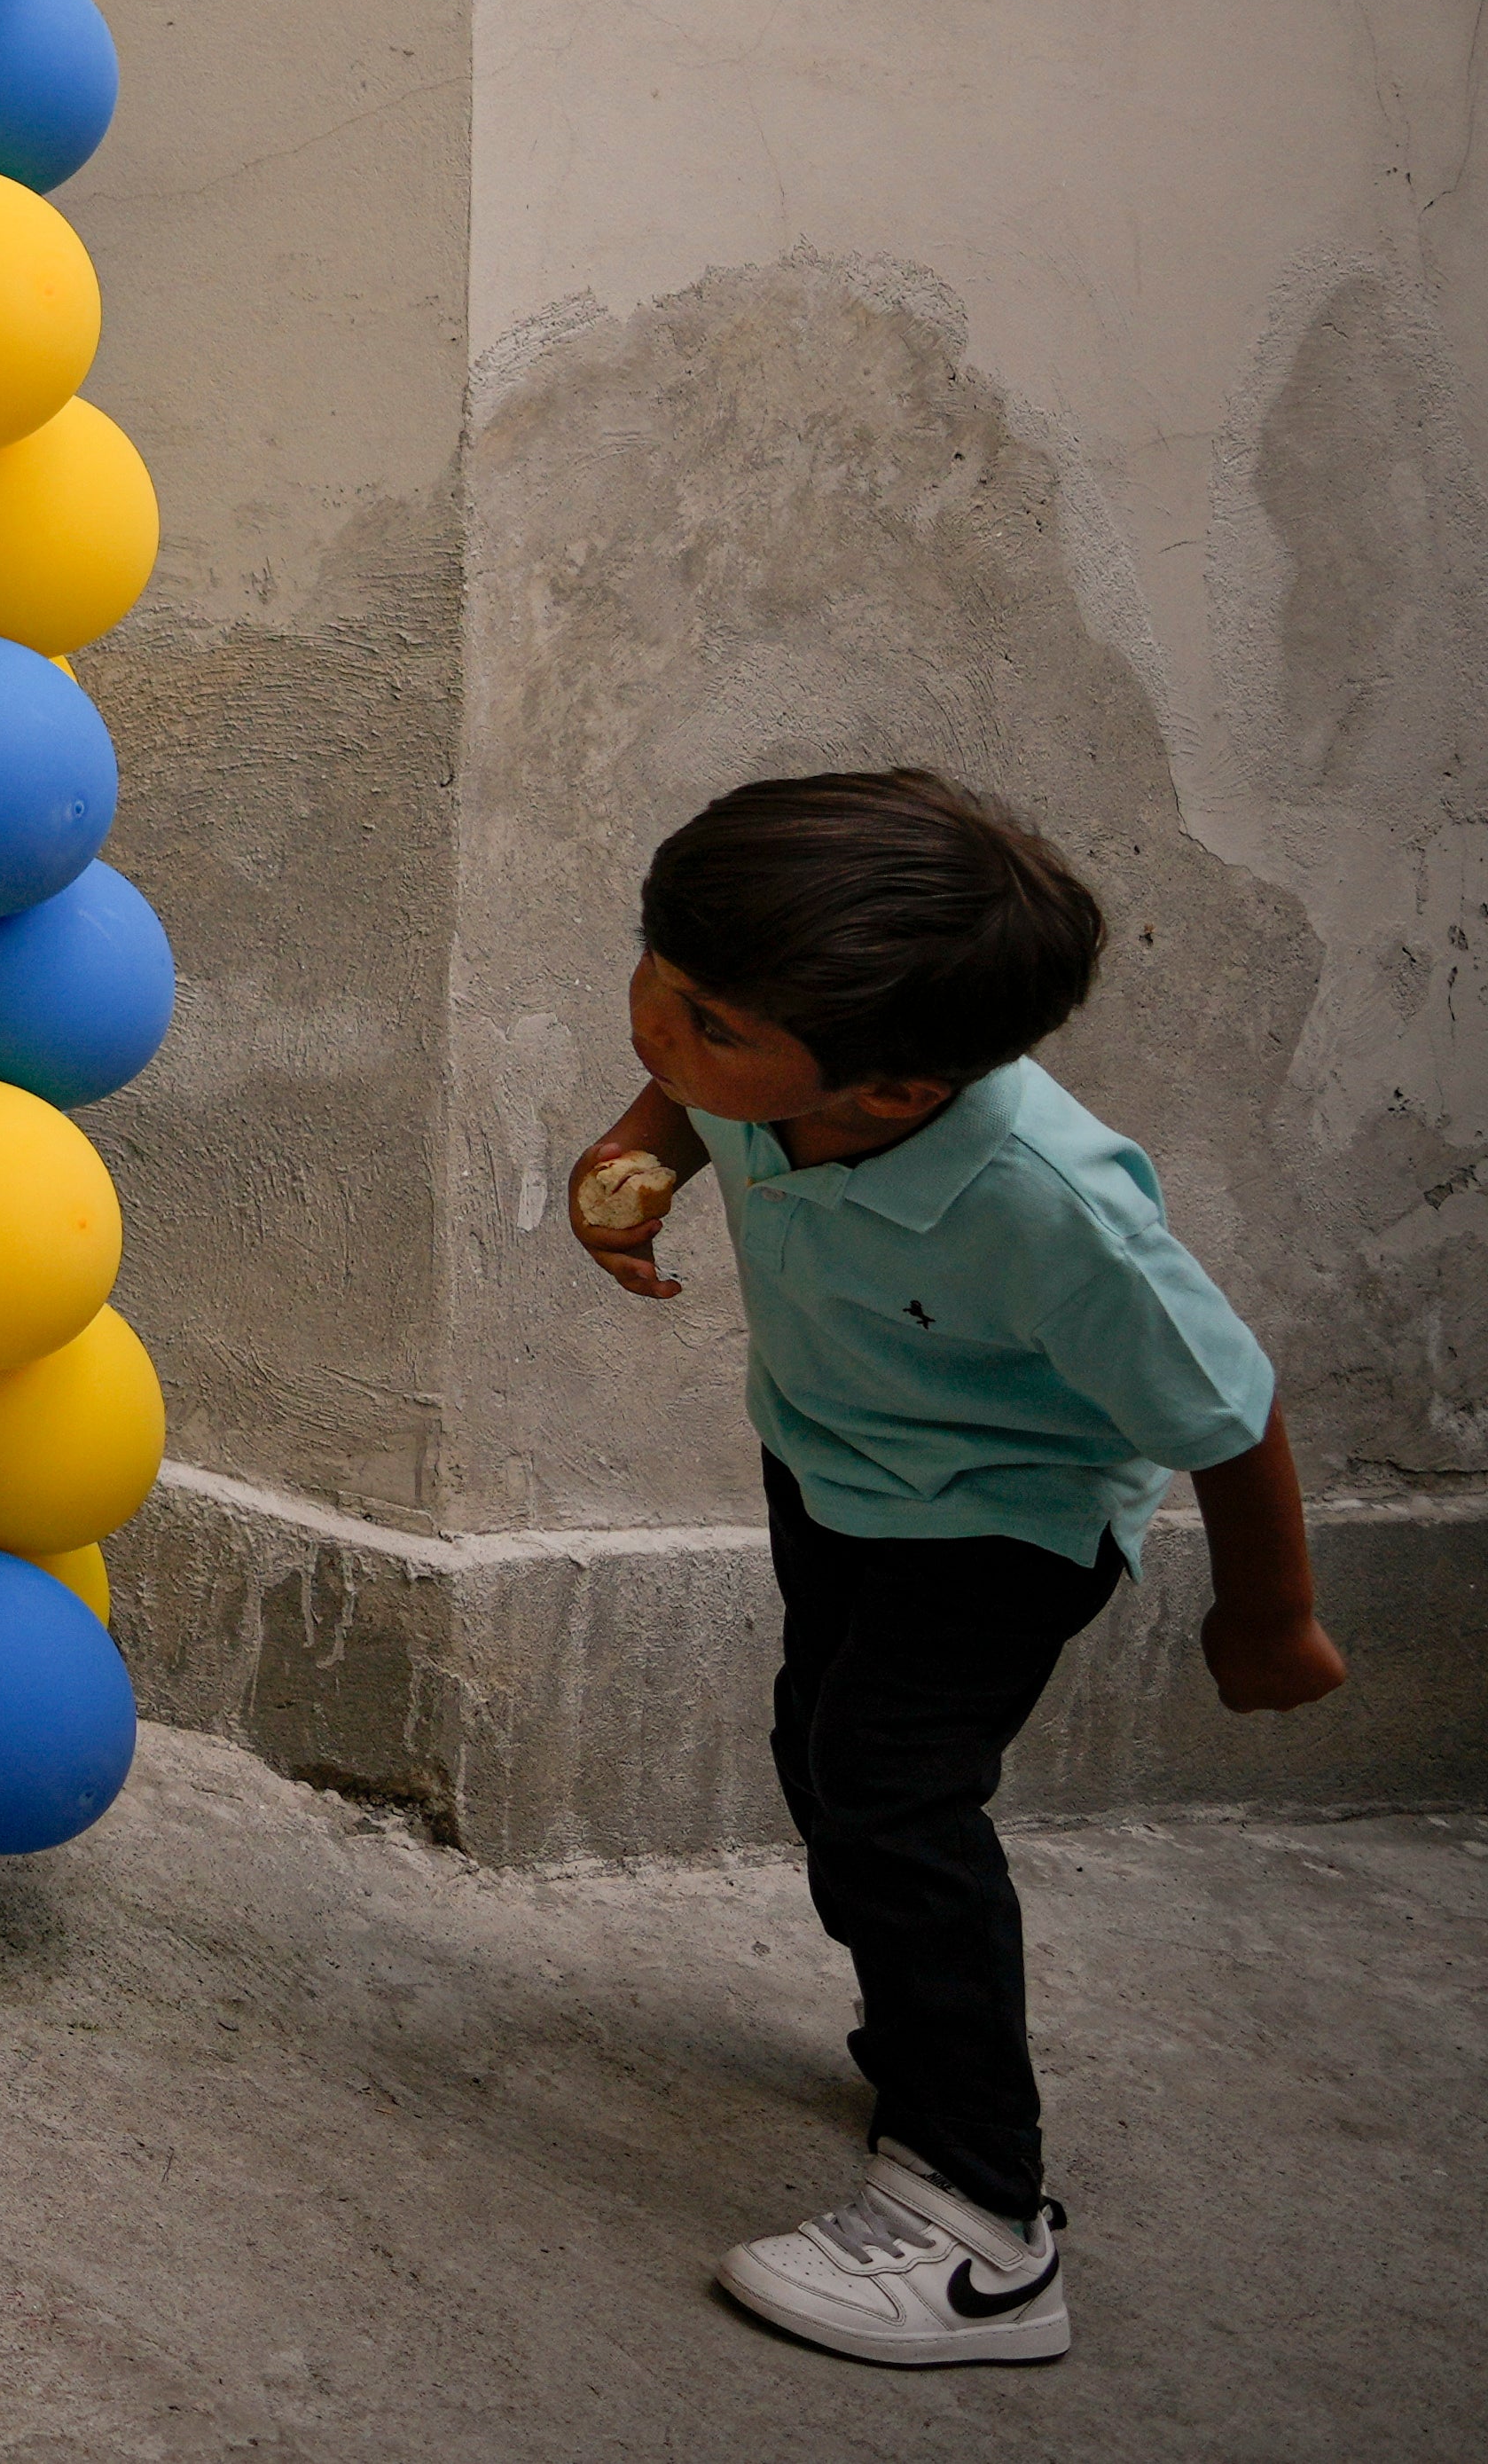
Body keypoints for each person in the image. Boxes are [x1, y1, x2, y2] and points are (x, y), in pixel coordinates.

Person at [569, 768, 1347, 2367]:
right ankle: (929, 2040)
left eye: (703, 1017)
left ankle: (984, 2226)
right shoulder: (777, 1052)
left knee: (891, 1793)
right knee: (821, 1752)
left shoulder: (1052, 1207)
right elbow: (707, 1100)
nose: (658, 1024)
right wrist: (642, 1149)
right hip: (833, 1462)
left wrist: (1269, 1620)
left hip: (1003, 1518)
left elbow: (1231, 1406)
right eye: (656, 970)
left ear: (899, 1094)